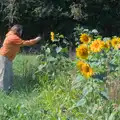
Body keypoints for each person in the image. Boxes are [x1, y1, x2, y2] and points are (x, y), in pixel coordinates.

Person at [0, 24, 41, 93]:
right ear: (17, 31)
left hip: (7, 57)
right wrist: (36, 39)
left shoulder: (11, 35)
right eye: (21, 31)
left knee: (9, 74)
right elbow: (25, 43)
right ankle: (3, 91)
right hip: (5, 57)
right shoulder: (13, 37)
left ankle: (9, 89)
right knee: (4, 75)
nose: (21, 33)